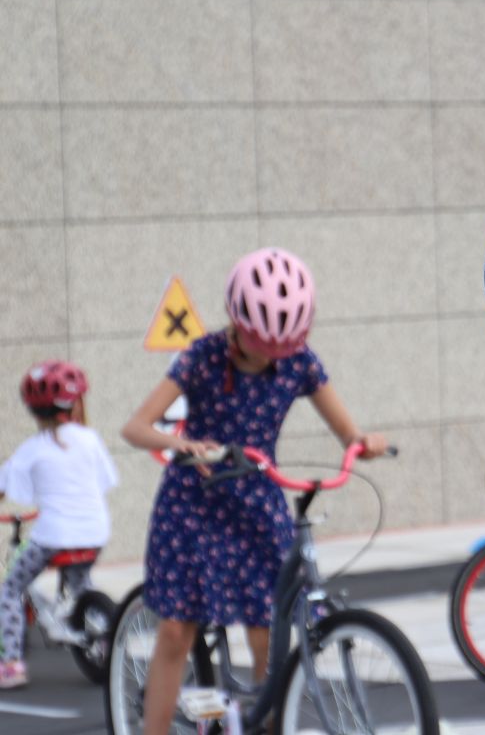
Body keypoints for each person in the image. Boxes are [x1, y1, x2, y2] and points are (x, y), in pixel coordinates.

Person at [121, 248, 387, 735]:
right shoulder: (203, 356)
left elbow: (348, 432)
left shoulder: (301, 362)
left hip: (258, 500)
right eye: (262, 342)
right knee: (178, 630)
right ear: (236, 322)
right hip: (193, 502)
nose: (272, 356)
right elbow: (135, 428)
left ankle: (266, 724)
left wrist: (362, 442)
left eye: (283, 346)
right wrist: (184, 444)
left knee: (269, 629)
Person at [0, 361, 118, 690]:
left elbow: (5, 486)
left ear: (34, 411)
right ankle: (102, 640)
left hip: (53, 535)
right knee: (80, 585)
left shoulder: (32, 448)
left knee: (9, 589)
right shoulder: (91, 439)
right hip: (95, 532)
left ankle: (11, 664)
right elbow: (105, 482)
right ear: (76, 402)